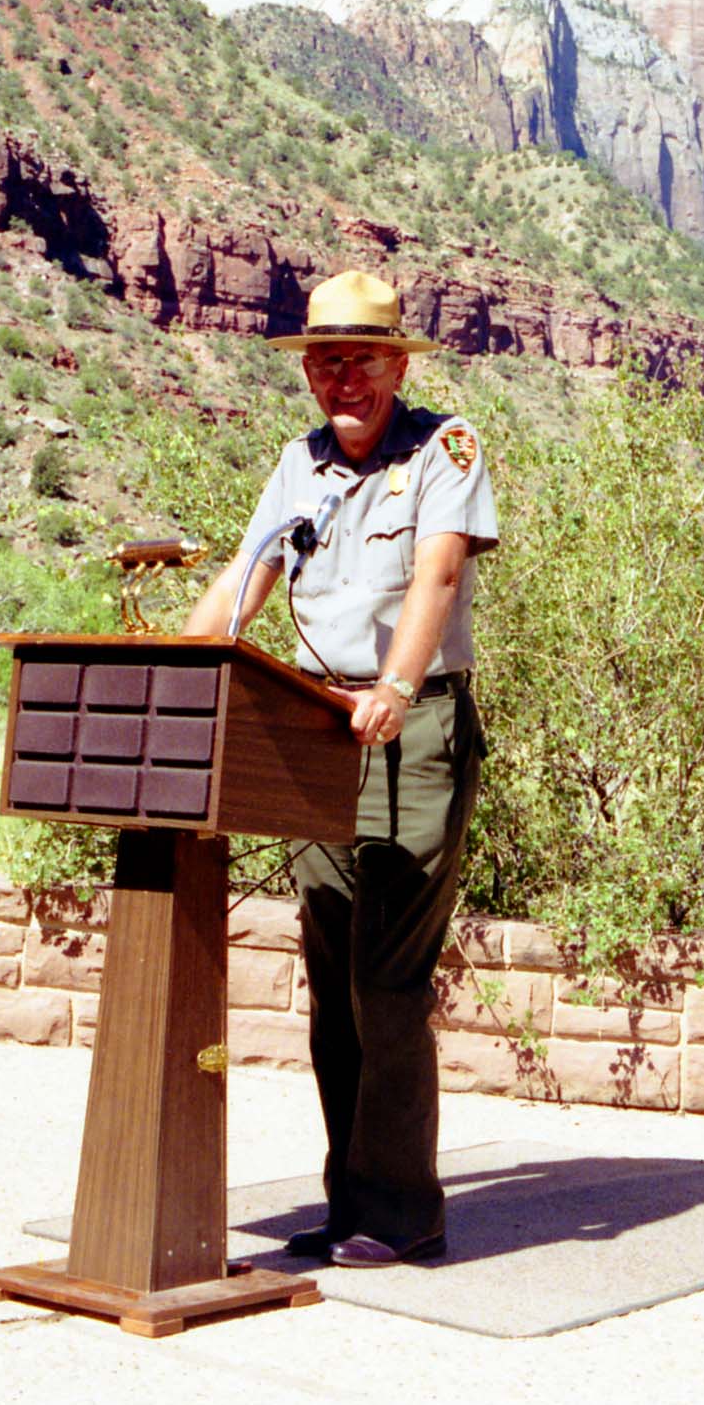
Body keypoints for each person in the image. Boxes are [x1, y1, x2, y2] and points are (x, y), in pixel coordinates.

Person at [182, 269, 498, 1268]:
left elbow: (438, 574)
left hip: (412, 729)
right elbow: (247, 580)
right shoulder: (297, 465)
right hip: (317, 733)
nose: (342, 377)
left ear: (398, 363)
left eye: (361, 358)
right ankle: (350, 1201)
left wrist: (398, 687)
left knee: (387, 979)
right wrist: (178, 671)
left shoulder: (444, 447)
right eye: (325, 360)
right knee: (330, 975)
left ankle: (406, 1214)